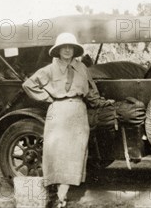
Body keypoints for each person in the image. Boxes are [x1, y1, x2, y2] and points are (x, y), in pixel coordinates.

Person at [22, 32, 115, 208]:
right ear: (57, 50)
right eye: (63, 47)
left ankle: (61, 195)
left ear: (74, 50)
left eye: (70, 47)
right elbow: (28, 85)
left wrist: (103, 103)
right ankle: (58, 196)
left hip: (78, 113)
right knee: (55, 154)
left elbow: (91, 93)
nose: (67, 50)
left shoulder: (82, 68)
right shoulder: (49, 69)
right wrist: (48, 98)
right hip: (58, 112)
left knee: (74, 155)